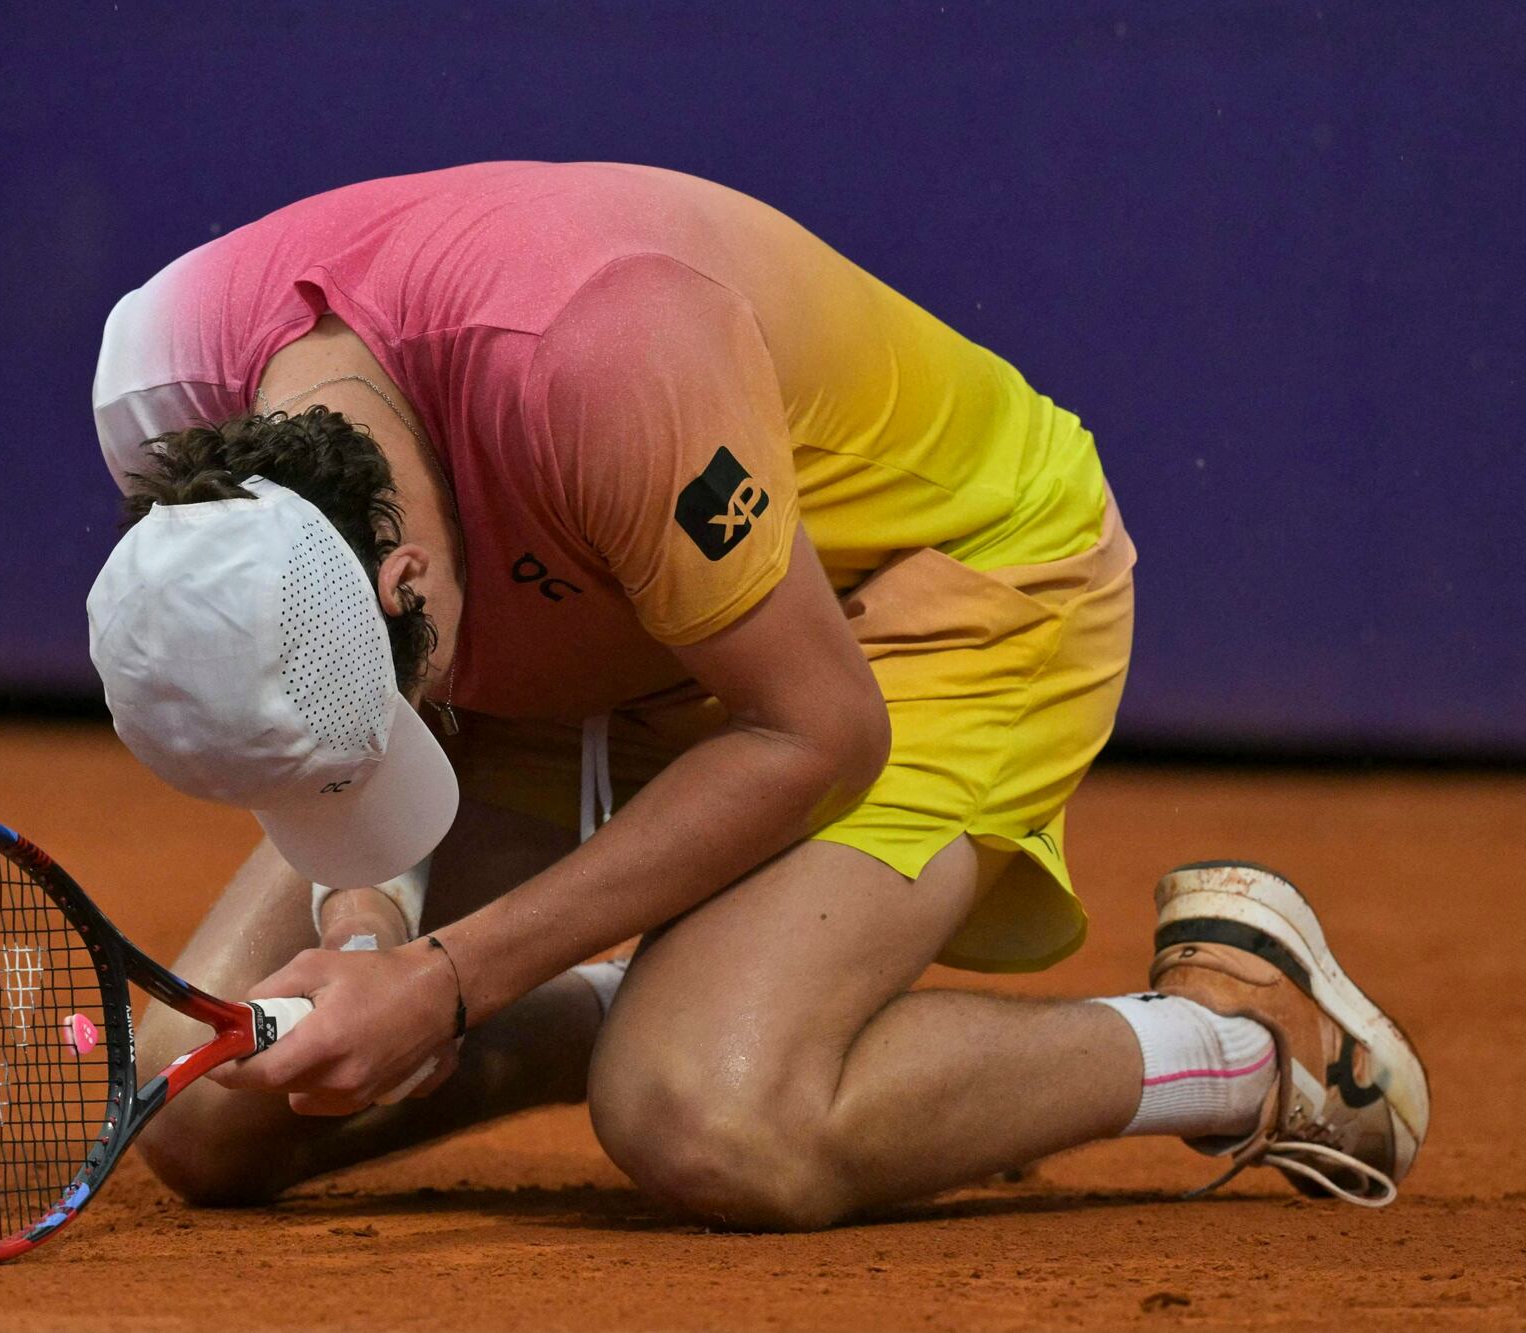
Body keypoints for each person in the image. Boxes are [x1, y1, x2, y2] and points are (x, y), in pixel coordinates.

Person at [84, 162, 1426, 1227]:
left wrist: (446, 982)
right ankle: (719, 1000)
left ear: (407, 575)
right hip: (597, 641)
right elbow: (331, 698)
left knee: (710, 1117)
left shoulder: (604, 358)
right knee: (207, 1098)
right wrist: (370, 917)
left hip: (913, 611)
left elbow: (818, 733)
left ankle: (1243, 1038)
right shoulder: (170, 397)